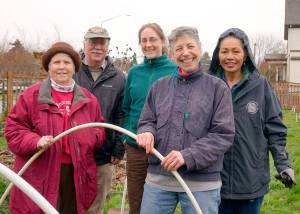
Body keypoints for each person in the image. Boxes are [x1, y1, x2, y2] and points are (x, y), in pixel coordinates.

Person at [135, 26, 235, 214]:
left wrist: (187, 156)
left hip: (202, 183)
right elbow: (147, 120)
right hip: (159, 180)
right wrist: (147, 132)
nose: (185, 53)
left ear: (200, 48)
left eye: (190, 46)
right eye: (179, 49)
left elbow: (223, 135)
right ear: (172, 54)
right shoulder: (159, 87)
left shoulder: (217, 88)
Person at [4, 42, 105, 214]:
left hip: (76, 173)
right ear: (48, 67)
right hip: (41, 170)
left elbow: (99, 129)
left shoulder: (89, 99)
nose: (62, 67)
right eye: (56, 62)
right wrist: (35, 141)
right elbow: (13, 130)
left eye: (67, 63)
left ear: (74, 68)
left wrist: (89, 137)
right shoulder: (31, 96)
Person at [209, 28, 296, 214]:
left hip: (251, 179)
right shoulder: (209, 85)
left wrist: (283, 165)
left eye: (236, 51)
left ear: (245, 54)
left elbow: (275, 128)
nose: (229, 56)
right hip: (214, 179)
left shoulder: (261, 85)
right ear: (218, 54)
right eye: (224, 51)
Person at [122, 23, 177, 214]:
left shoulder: (175, 71)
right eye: (144, 41)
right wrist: (128, 135)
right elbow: (126, 108)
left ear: (162, 41)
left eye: (153, 39)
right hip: (136, 148)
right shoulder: (134, 73)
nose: (148, 44)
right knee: (136, 201)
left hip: (163, 150)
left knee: (160, 204)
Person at [74, 26, 125, 214]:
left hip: (102, 154)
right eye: (92, 42)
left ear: (108, 47)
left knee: (95, 205)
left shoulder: (119, 78)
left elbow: (121, 114)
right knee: (70, 202)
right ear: (84, 44)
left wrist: (119, 146)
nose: (97, 47)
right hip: (71, 153)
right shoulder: (72, 71)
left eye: (101, 43)